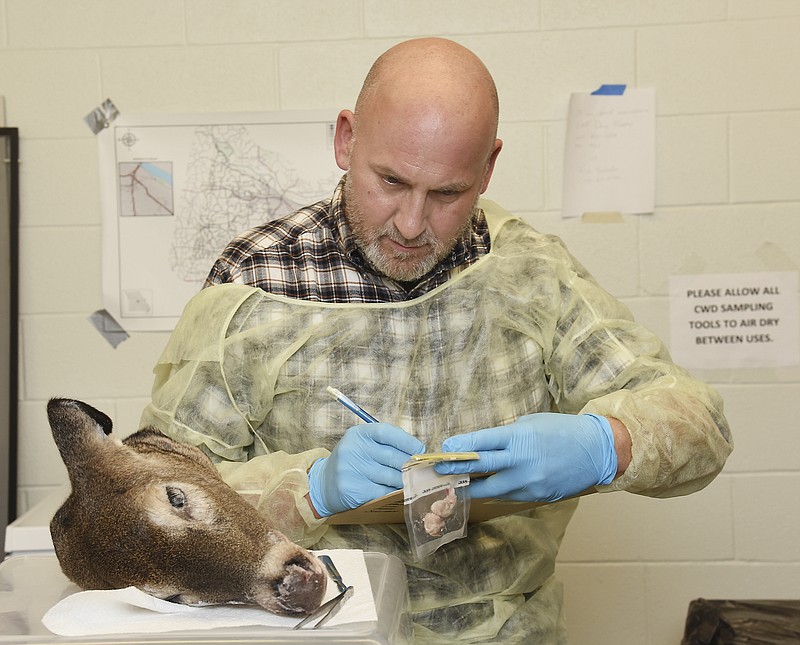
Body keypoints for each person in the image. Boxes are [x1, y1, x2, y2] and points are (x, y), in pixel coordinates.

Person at [141, 37, 732, 644]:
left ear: (489, 167)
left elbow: (699, 424)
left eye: (447, 193)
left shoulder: (529, 274)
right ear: (346, 140)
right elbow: (155, 507)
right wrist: (311, 489)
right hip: (314, 632)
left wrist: (608, 444)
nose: (411, 223)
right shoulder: (256, 281)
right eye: (391, 181)